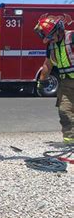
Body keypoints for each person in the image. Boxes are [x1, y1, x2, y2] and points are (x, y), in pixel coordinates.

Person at [34, 17, 74, 145]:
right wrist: (42, 81)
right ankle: (70, 141)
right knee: (64, 111)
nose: (46, 39)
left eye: (48, 35)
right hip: (66, 83)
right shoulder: (51, 46)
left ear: (58, 31)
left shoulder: (72, 37)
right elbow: (48, 64)